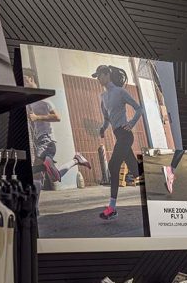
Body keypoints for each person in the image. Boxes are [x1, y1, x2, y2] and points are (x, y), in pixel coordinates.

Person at [23, 69, 90, 209]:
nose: (23, 83)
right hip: (39, 142)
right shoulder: (29, 102)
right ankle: (75, 160)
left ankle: (33, 208)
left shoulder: (44, 100)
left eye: (24, 80)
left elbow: (57, 117)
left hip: (47, 141)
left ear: (31, 79)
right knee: (54, 177)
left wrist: (37, 117)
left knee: (36, 173)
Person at [93, 65, 143, 220]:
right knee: (136, 171)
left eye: (100, 75)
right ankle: (162, 173)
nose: (98, 79)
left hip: (125, 135)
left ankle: (112, 208)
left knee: (113, 165)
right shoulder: (103, 97)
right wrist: (103, 128)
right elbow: (107, 119)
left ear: (107, 74)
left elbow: (139, 108)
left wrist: (131, 123)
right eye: (97, 76)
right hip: (118, 135)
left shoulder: (120, 92)